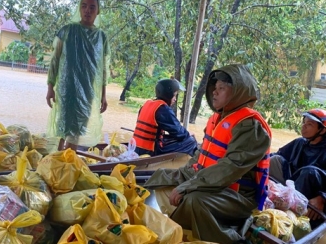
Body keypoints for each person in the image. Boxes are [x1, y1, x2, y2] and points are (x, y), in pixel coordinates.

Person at [144, 64, 272, 244]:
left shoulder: (250, 126)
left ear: (237, 93)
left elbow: (230, 168)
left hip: (237, 195)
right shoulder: (218, 118)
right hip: (212, 183)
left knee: (195, 200)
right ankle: (185, 229)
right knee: (162, 178)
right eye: (215, 87)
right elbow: (201, 155)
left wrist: (189, 185)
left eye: (222, 88)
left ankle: (231, 240)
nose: (215, 92)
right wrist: (183, 176)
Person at [46, 0, 110, 147]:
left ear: (98, 11)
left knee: (77, 132)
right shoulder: (67, 30)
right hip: (66, 88)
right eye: (84, 6)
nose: (87, 10)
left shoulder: (101, 37)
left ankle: (68, 164)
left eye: (92, 7)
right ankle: (58, 161)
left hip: (88, 92)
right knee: (63, 129)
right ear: (79, 9)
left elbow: (104, 69)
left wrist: (103, 95)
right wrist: (50, 87)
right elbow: (55, 60)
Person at [270, 109, 326, 222]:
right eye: (304, 122)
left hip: (312, 198)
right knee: (274, 159)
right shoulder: (300, 143)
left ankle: (289, 217)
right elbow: (276, 155)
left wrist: (323, 198)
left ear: (322, 130)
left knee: (309, 171)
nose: (304, 126)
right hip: (291, 187)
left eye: (309, 124)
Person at [133, 78, 198, 156]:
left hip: (136, 147)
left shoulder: (147, 104)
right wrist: (189, 134)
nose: (175, 99)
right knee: (191, 141)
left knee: (167, 138)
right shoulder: (163, 109)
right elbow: (179, 133)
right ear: (168, 94)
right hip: (150, 150)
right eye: (174, 95)